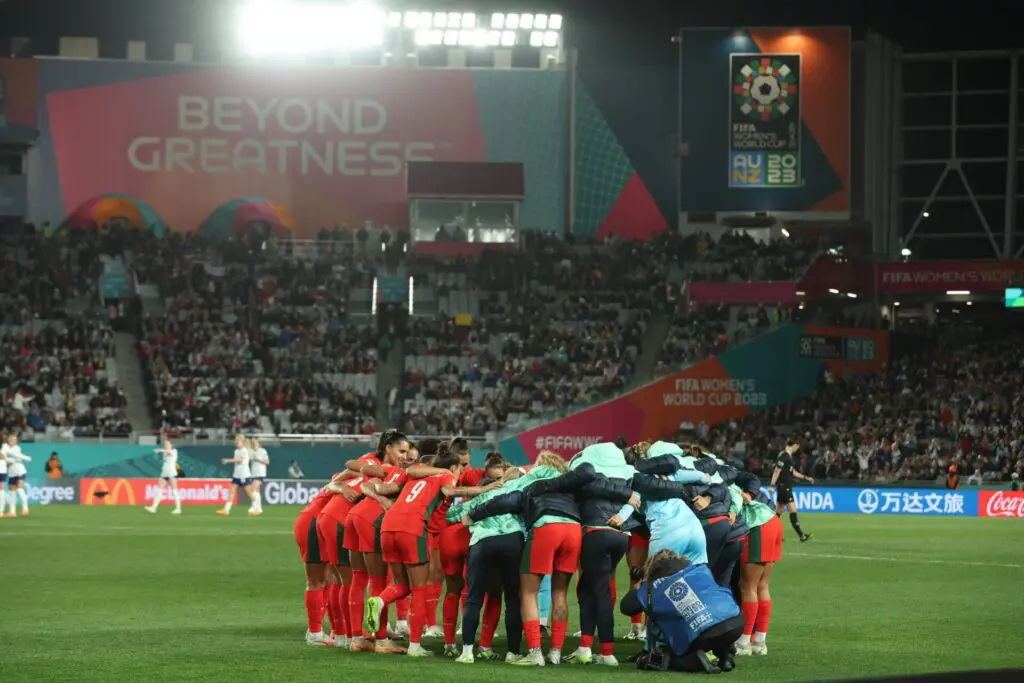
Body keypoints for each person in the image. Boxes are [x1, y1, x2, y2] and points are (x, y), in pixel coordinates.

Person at [365, 447, 495, 657]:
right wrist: (482, 491)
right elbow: (450, 492)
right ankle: (415, 646)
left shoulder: (418, 472)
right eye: (459, 468)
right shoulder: (445, 476)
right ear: (453, 467)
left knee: (401, 584)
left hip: (388, 526)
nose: (460, 473)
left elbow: (400, 478)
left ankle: (379, 601)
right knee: (419, 588)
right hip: (412, 529)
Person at [449, 465, 537, 664]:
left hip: (482, 542)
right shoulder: (518, 492)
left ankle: (467, 652)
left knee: (474, 598)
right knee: (513, 600)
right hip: (512, 541)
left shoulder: (481, 497)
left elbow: (451, 515)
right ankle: (513, 653)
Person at [344, 430, 413, 655]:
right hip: (371, 520)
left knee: (358, 577)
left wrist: (376, 494)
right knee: (379, 580)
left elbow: (364, 482)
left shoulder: (384, 468)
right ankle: (381, 640)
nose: (405, 457)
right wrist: (382, 499)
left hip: (354, 515)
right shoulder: (400, 473)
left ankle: (356, 638)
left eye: (408, 454)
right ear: (388, 448)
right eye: (401, 451)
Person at [620, 549, 743, 673]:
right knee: (716, 616)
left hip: (703, 633)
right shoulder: (700, 569)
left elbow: (626, 607)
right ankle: (726, 656)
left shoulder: (653, 587)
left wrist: (637, 583)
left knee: (676, 653)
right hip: (736, 622)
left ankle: (694, 659)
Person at [293, 471, 353, 645]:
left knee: (329, 580)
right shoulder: (352, 479)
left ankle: (335, 630)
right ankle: (314, 633)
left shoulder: (350, 478)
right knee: (318, 581)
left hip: (320, 523)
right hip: (313, 524)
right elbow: (334, 483)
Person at [734, 472, 783, 656]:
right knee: (762, 585)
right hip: (772, 521)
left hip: (758, 525)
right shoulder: (743, 482)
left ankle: (744, 643)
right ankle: (760, 642)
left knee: (748, 586)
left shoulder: (727, 484)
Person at [771, 439, 813, 542]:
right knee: (793, 510)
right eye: (797, 447)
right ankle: (801, 536)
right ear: (794, 445)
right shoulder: (784, 456)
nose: (797, 449)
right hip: (784, 487)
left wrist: (806, 478)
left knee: (779, 512)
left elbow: (793, 472)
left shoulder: (788, 457)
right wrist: (772, 485)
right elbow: (777, 470)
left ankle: (774, 536)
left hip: (784, 487)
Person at [217, 435, 256, 516]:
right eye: (236, 440)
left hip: (244, 475)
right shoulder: (236, 451)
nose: (236, 442)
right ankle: (226, 510)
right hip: (237, 475)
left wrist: (228, 460)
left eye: (238, 440)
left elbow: (240, 460)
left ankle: (256, 506)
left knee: (248, 492)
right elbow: (237, 461)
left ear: (242, 442)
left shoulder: (244, 450)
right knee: (231, 490)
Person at [145, 440, 182, 515]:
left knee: (174, 491)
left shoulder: (174, 451)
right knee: (159, 490)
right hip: (164, 473)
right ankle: (153, 507)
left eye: (168, 444)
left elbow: (169, 452)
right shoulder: (164, 452)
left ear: (171, 445)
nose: (166, 445)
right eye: (165, 444)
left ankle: (178, 509)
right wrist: (162, 451)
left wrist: (160, 450)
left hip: (171, 474)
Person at [2, 434, 31, 517]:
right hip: (11, 472)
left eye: (14, 439)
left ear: (16, 441)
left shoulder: (17, 448)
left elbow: (15, 459)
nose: (12, 440)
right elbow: (8, 458)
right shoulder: (5, 447)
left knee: (19, 488)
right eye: (10, 439)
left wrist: (6, 458)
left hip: (20, 471)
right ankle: (12, 512)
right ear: (8, 440)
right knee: (12, 491)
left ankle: (25, 509)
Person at [249, 438, 270, 511]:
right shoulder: (250, 451)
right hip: (253, 473)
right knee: (256, 490)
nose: (254, 444)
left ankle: (254, 506)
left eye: (255, 442)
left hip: (260, 472)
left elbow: (267, 462)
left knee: (253, 489)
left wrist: (258, 459)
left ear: (258, 443)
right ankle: (259, 508)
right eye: (252, 443)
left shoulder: (263, 451)